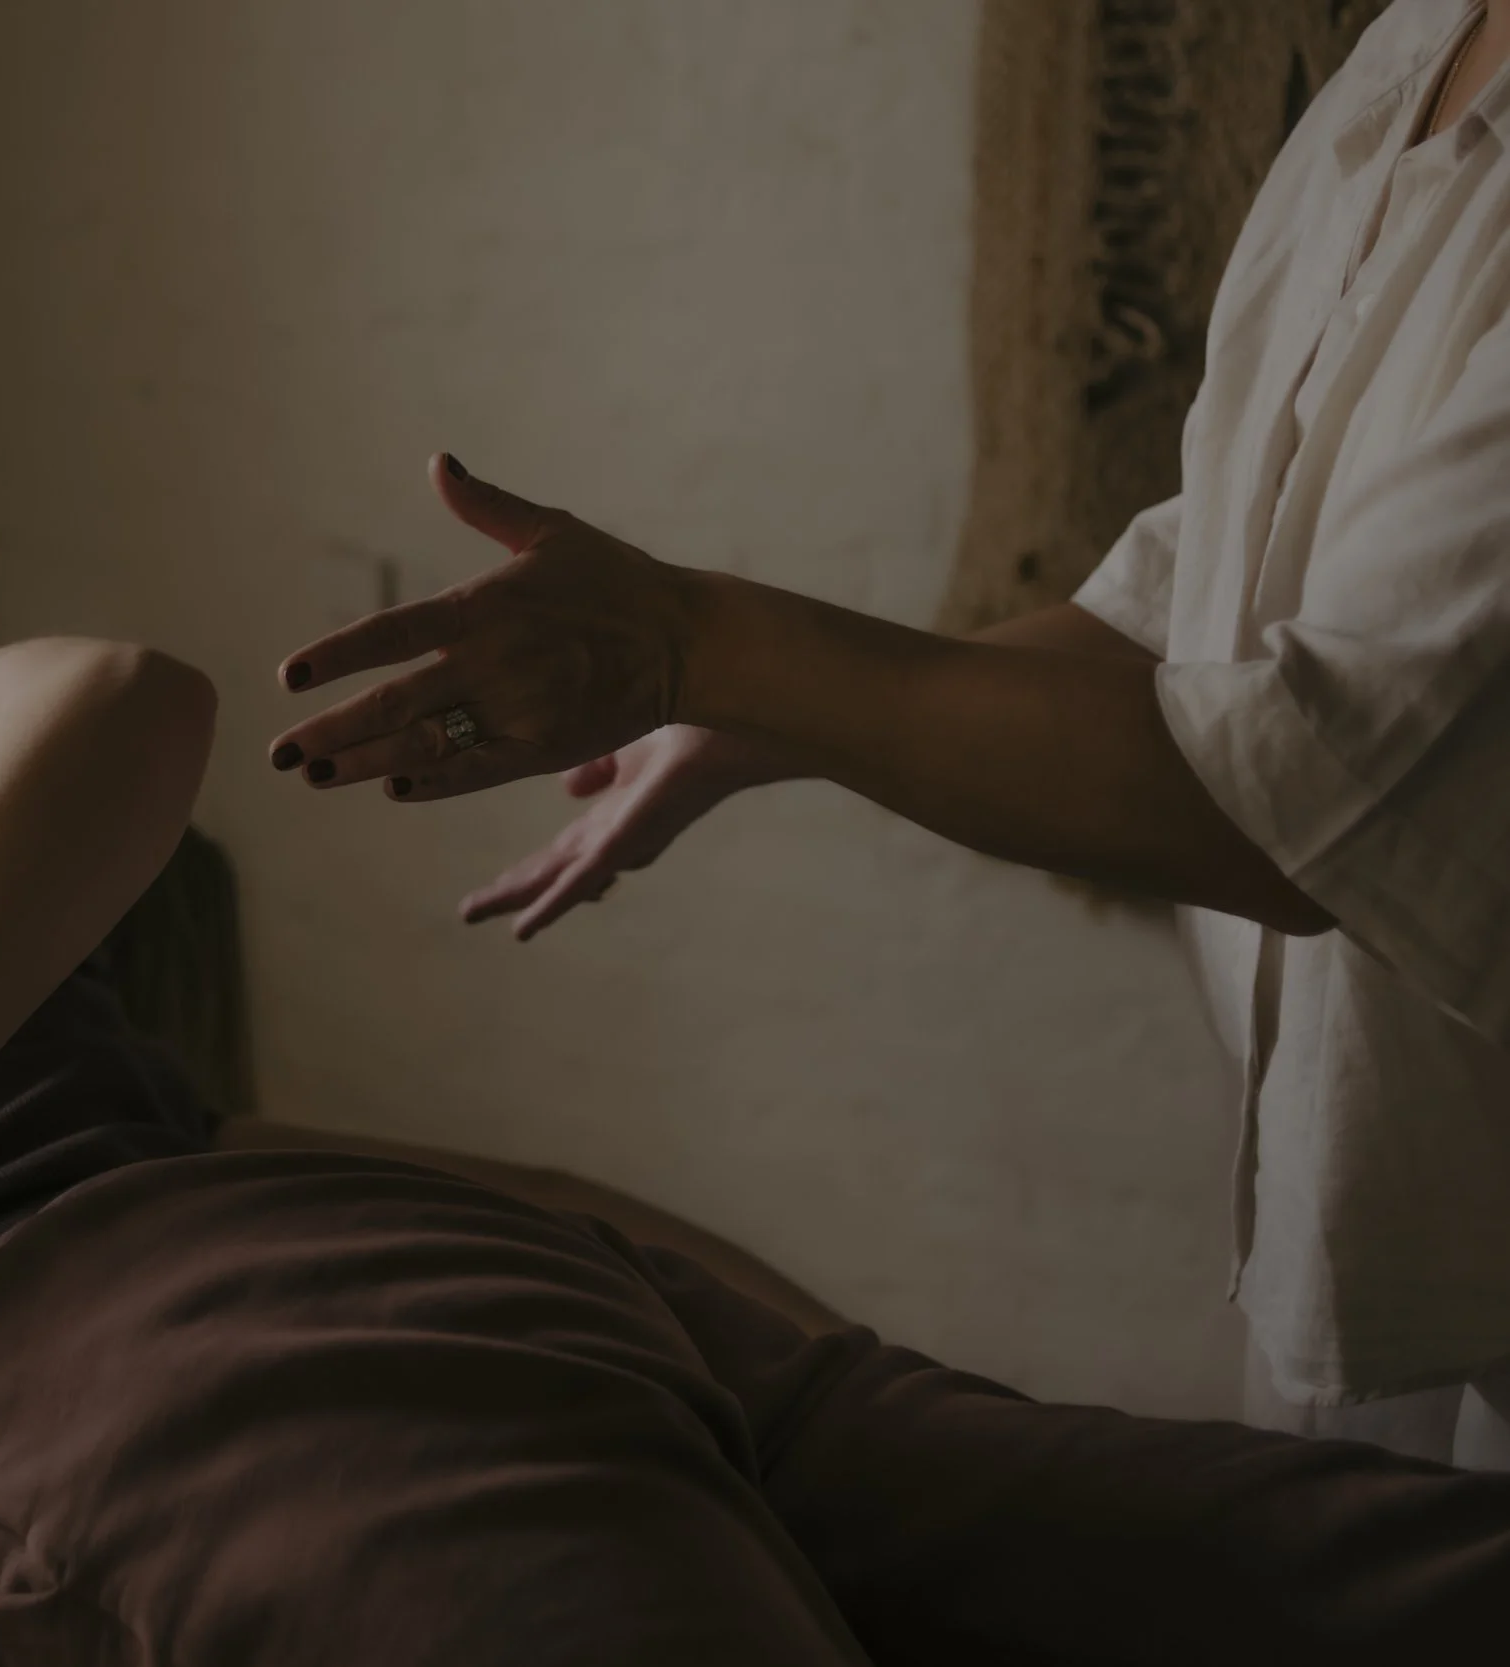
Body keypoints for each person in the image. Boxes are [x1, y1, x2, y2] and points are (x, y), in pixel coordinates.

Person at [0, 638, 1510, 1666]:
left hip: (250, 1343)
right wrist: (793, 1369)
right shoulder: (55, 1102)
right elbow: (489, 1204)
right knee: (1309, 1580)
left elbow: (119, 705)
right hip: (427, 1304)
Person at [270, 0, 1510, 1469]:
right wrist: (749, 715)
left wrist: (701, 648)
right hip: (1384, 1225)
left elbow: (1302, 782)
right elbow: (1205, 587)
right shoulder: (1416, 44)